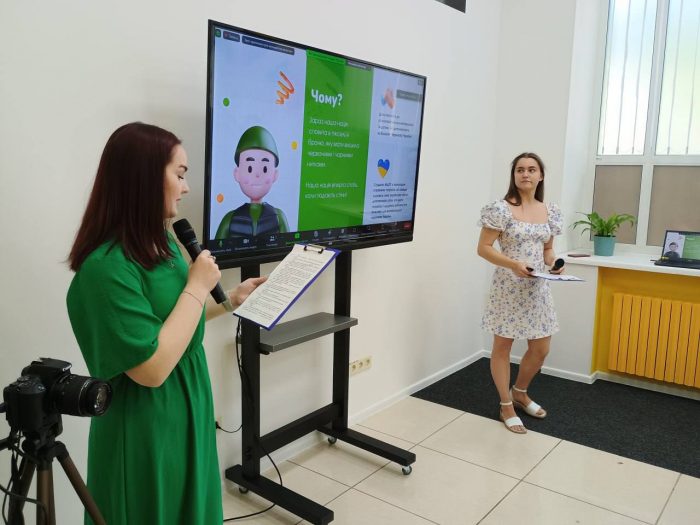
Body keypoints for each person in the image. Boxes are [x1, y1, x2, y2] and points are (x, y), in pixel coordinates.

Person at [66, 122, 266, 524]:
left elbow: (174, 319)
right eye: (180, 174)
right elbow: (152, 368)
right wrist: (197, 285)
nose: (186, 187)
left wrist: (230, 300)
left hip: (189, 404)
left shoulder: (163, 243)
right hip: (145, 424)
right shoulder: (105, 268)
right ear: (143, 178)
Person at [477, 152, 564, 434]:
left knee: (541, 348)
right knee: (502, 347)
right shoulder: (500, 209)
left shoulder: (550, 211)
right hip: (508, 287)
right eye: (520, 170)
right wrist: (513, 264)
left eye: (531, 169)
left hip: (537, 288)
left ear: (541, 176)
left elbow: (547, 249)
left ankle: (520, 391)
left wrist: (554, 263)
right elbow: (484, 248)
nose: (525, 174)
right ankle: (506, 404)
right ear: (514, 175)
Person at [215, 125, 289, 239]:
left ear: (275, 175)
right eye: (249, 168)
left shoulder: (279, 217)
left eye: (265, 168)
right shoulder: (229, 219)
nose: (257, 174)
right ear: (237, 173)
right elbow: (216, 248)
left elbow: (288, 247)